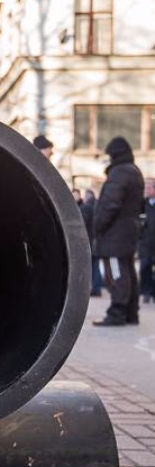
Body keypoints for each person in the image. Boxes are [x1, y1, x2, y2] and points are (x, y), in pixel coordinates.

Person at [93, 136, 145, 326]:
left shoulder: (120, 172)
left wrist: (98, 225)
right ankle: (131, 312)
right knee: (128, 270)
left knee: (116, 271)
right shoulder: (134, 171)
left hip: (115, 233)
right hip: (128, 231)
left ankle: (117, 312)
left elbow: (110, 204)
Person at [82, 189, 102, 296]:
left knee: (91, 267)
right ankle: (97, 287)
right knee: (96, 266)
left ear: (87, 197)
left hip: (89, 242)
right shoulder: (98, 207)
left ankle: (94, 289)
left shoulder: (86, 208)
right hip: (97, 242)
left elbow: (83, 224)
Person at [138, 180, 155, 303]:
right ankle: (146, 292)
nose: (146, 190)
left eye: (149, 188)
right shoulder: (142, 205)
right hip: (146, 243)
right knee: (145, 267)